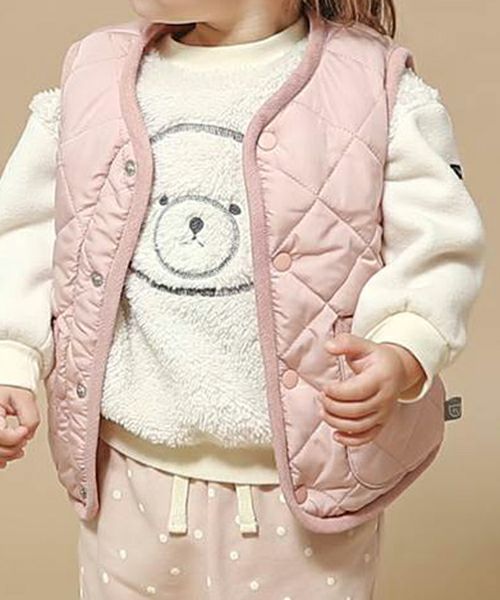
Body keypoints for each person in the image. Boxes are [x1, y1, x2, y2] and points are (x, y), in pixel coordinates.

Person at [0, 0, 486, 598]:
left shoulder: (373, 87)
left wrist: (404, 347)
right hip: (130, 476)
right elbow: (27, 232)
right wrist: (12, 357)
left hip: (305, 481)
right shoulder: (96, 77)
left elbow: (437, 244)